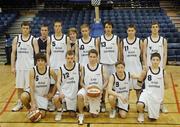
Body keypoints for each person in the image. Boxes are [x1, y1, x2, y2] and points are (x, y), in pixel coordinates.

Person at [11, 21, 39, 112]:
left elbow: (37, 55)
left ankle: (31, 102)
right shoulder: (16, 39)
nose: (25, 30)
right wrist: (12, 66)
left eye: (27, 28)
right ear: (21, 28)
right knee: (19, 87)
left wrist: (37, 68)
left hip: (29, 68)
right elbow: (13, 53)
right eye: (23, 28)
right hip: (19, 66)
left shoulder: (33, 40)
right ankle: (19, 103)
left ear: (30, 29)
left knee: (30, 87)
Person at [20, 53, 57, 120]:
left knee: (42, 115)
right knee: (23, 97)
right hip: (33, 93)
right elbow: (31, 87)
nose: (40, 62)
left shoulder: (50, 70)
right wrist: (33, 103)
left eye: (42, 61)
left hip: (42, 95)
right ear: (36, 62)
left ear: (45, 62)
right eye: (38, 60)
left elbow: (58, 81)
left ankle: (45, 104)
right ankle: (30, 110)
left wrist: (52, 93)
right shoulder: (32, 71)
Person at [77, 49, 108, 125]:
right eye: (91, 57)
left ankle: (90, 106)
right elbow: (81, 82)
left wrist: (101, 89)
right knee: (80, 95)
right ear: (88, 57)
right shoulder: (84, 67)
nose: (92, 59)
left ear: (97, 57)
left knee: (94, 116)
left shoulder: (101, 67)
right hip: (87, 89)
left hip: (97, 92)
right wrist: (86, 88)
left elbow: (106, 80)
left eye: (94, 57)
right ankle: (81, 115)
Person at [143, 21, 168, 113]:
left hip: (159, 68)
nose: (154, 28)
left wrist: (164, 66)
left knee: (160, 87)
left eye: (156, 27)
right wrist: (145, 65)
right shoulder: (147, 40)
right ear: (151, 28)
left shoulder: (163, 40)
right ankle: (147, 104)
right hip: (149, 68)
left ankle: (162, 104)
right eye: (153, 27)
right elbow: (144, 54)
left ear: (158, 28)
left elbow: (165, 54)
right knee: (148, 87)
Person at [137, 53, 168, 123]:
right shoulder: (147, 70)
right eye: (153, 60)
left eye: (157, 60)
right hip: (147, 94)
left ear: (160, 61)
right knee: (139, 104)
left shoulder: (163, 72)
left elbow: (166, 86)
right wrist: (141, 77)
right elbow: (138, 84)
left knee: (153, 119)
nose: (155, 61)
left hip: (156, 97)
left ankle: (150, 108)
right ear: (150, 61)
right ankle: (141, 114)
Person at [46, 20, 70, 111]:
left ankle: (63, 102)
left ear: (61, 27)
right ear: (53, 27)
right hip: (53, 65)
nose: (57, 28)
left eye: (59, 26)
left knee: (63, 85)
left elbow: (68, 53)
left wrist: (67, 65)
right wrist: (49, 65)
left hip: (63, 67)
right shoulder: (50, 38)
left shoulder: (66, 38)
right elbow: (47, 53)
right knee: (52, 85)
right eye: (56, 26)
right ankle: (51, 102)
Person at [52, 50, 82, 121]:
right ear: (65, 58)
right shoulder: (61, 69)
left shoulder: (79, 67)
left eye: (71, 58)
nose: (70, 60)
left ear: (74, 58)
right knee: (55, 98)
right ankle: (59, 111)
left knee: (72, 115)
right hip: (63, 92)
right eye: (68, 58)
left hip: (73, 94)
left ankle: (66, 105)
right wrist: (60, 92)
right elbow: (58, 83)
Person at [120, 24, 143, 99]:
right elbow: (121, 57)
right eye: (129, 30)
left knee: (138, 90)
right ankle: (126, 105)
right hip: (127, 69)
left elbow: (142, 55)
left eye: (132, 30)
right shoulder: (123, 42)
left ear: (135, 31)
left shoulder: (139, 41)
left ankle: (139, 104)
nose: (130, 32)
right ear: (127, 31)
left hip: (137, 69)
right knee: (127, 90)